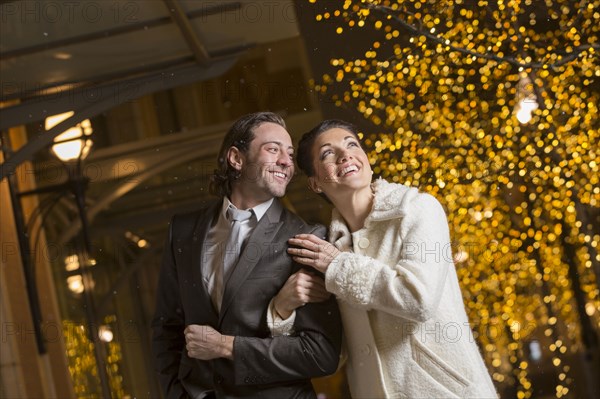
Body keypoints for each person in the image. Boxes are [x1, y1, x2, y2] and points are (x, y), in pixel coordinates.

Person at [275, 119, 498, 398]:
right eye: (327, 153)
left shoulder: (417, 209)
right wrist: (282, 310)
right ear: (316, 183)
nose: (345, 155)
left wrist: (337, 265)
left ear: (367, 161)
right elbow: (333, 355)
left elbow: (418, 298)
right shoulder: (326, 249)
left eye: (352, 145)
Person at [151, 112, 342, 399]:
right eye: (273, 149)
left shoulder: (306, 238)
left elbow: (320, 354)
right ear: (236, 159)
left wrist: (227, 347)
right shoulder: (183, 230)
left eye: (289, 154)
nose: (286, 162)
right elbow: (167, 328)